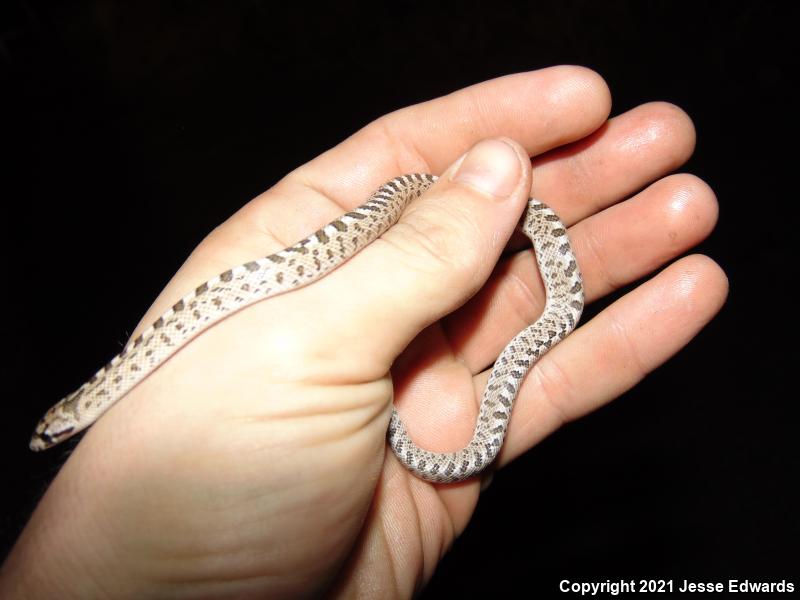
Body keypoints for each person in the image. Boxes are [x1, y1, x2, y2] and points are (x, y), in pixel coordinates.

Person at [0, 66, 726, 598]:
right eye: (54, 439)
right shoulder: (126, 380)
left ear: (71, 419)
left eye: (55, 436)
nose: (54, 445)